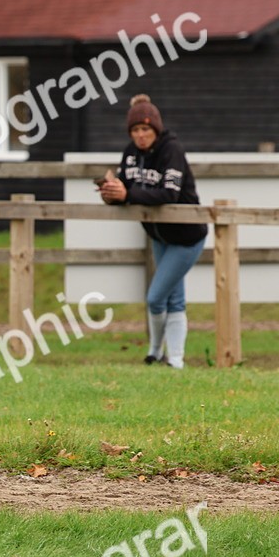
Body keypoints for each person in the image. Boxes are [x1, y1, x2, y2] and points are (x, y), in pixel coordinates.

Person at [97, 94, 207, 369]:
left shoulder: (172, 150)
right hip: (159, 236)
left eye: (145, 129)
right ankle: (169, 357)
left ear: (156, 129)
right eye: (135, 130)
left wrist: (128, 193)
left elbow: (169, 193)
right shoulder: (130, 154)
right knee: (174, 298)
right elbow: (126, 190)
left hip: (186, 237)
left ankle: (162, 352)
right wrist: (111, 192)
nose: (141, 135)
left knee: (156, 297)